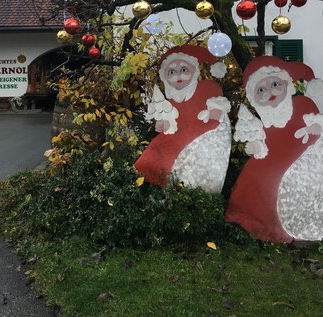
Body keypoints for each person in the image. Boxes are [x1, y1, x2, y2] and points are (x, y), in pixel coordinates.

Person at [226, 55, 323, 243]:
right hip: (273, 161)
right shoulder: (265, 123)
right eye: (260, 90)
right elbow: (257, 142)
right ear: (254, 99)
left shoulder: (303, 104)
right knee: (256, 179)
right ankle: (261, 223)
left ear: (288, 85)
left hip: (304, 164)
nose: (269, 92)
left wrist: (315, 128)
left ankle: (304, 225)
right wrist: (255, 146)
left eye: (275, 84)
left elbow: (317, 123)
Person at [135, 45, 231, 193]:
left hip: (200, 137)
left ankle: (185, 192)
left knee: (183, 168)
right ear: (165, 77)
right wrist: (162, 125)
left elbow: (215, 119)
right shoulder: (172, 101)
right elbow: (170, 123)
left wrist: (213, 117)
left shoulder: (207, 88)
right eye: (172, 72)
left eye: (184, 70)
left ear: (194, 72)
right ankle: (161, 192)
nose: (179, 76)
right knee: (149, 160)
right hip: (176, 138)